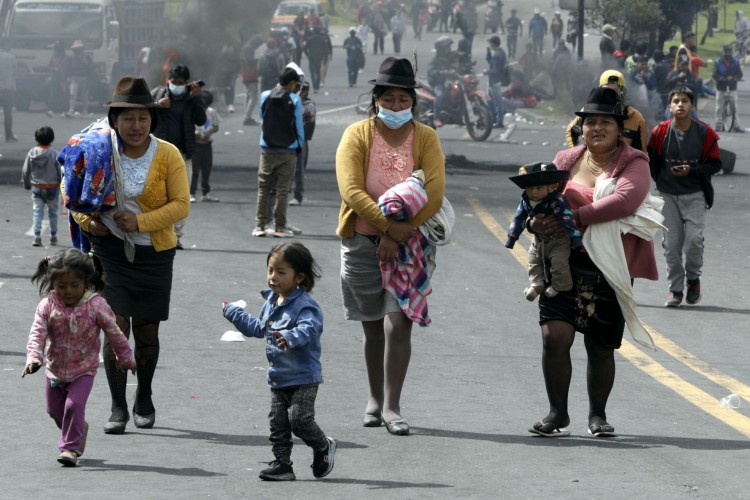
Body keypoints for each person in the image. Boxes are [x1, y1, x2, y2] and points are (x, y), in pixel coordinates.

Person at [527, 86, 658, 438]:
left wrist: (574, 217)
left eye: (605, 122)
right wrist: (533, 222)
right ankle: (557, 414)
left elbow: (625, 201)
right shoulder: (566, 161)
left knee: (600, 347)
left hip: (609, 269)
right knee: (554, 337)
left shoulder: (634, 162)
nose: (596, 129)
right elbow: (538, 199)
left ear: (619, 128)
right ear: (580, 127)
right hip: (563, 266)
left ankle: (597, 416)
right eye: (590, 123)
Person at [68, 76, 190, 434]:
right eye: (128, 118)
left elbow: (181, 204)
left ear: (152, 120)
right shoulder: (97, 150)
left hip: (155, 254)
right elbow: (73, 195)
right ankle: (118, 406)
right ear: (114, 120)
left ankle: (145, 396)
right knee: (115, 327)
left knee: (147, 332)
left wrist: (141, 222)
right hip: (109, 254)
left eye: (143, 118)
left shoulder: (167, 154)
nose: (136, 126)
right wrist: (89, 225)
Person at [335, 57, 446, 435]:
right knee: (371, 325)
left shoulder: (426, 138)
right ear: (376, 100)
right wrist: (385, 227)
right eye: (389, 99)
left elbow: (434, 191)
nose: (396, 107)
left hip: (411, 244)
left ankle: (393, 406)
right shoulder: (357, 135)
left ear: (413, 101)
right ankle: (374, 398)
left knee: (399, 322)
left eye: (403, 100)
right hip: (362, 240)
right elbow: (350, 188)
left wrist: (402, 231)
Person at [222, 242, 336, 481]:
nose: (273, 277)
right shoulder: (272, 302)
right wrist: (234, 312)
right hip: (278, 377)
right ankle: (283, 464)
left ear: (300, 277)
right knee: (278, 423)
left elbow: (310, 328)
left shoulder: (306, 306)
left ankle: (322, 445)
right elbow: (257, 328)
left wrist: (289, 336)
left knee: (299, 420)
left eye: (281, 272)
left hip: (303, 377)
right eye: (270, 270)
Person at [24, 249, 136, 466]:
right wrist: (33, 358)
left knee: (73, 406)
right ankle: (79, 428)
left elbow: (114, 332)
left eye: (74, 285)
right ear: (52, 284)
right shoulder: (47, 305)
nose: (68, 291)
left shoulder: (95, 305)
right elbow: (37, 332)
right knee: (54, 411)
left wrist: (126, 357)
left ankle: (69, 449)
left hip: (83, 370)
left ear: (86, 281)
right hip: (54, 370)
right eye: (61, 286)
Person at [647, 86, 721, 308]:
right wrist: (663, 183)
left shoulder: (704, 132)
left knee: (694, 241)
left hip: (695, 195)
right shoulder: (659, 132)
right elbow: (653, 162)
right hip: (668, 196)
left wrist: (692, 172)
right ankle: (675, 289)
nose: (680, 104)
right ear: (669, 106)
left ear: (692, 106)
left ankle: (693, 279)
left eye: (685, 101)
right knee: (671, 245)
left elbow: (715, 163)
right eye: (676, 101)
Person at [505, 161, 582, 300]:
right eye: (529, 188)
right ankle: (537, 283)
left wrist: (575, 240)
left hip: (559, 241)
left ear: (552, 187)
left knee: (558, 263)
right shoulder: (525, 201)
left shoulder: (557, 200)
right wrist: (512, 237)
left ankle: (560, 286)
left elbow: (568, 219)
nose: (533, 192)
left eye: (539, 187)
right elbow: (518, 218)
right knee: (533, 260)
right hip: (539, 240)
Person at [151, 64, 206, 246]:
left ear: (186, 83)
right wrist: (156, 106)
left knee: (180, 197)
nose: (176, 85)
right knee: (158, 195)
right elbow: (141, 110)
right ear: (168, 80)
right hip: (159, 153)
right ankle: (158, 233)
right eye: (173, 81)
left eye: (180, 82)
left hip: (182, 154)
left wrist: (197, 98)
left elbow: (201, 120)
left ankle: (176, 236)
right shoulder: (158, 94)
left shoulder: (191, 99)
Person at [253, 68, 305, 238]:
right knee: (282, 190)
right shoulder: (294, 99)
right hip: (288, 149)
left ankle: (260, 226)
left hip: (267, 149)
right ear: (291, 83)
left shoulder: (264, 95)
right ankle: (279, 227)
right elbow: (298, 125)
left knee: (264, 188)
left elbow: (263, 117)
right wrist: (300, 145)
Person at [566, 70, 647, 153]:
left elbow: (641, 153)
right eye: (606, 91)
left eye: (614, 92)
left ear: (622, 92)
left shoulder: (635, 117)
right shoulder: (588, 112)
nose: (610, 96)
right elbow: (572, 131)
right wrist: (575, 155)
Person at [22, 126, 62, 247]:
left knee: (37, 212)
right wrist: (62, 184)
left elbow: (25, 170)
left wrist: (26, 183)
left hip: (37, 187)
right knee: (53, 212)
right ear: (52, 139)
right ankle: (53, 237)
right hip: (52, 187)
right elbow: (60, 170)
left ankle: (37, 236)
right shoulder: (54, 153)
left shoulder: (32, 153)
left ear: (36, 138)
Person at [191, 90, 220, 202]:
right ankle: (191, 193)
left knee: (206, 169)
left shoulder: (211, 112)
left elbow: (216, 126)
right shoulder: (192, 111)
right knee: (194, 170)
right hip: (195, 145)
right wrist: (196, 133)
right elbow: (188, 127)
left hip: (207, 144)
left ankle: (205, 193)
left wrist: (209, 132)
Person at [290, 81, 315, 206]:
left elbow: (309, 120)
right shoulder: (290, 101)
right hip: (288, 138)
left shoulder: (309, 104)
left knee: (299, 168)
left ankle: (298, 195)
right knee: (287, 165)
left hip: (300, 139)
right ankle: (286, 188)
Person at [713, 45, 744, 132]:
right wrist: (721, 79)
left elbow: (739, 74)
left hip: (732, 86)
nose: (727, 54)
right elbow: (715, 74)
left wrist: (734, 78)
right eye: (726, 51)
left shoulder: (736, 62)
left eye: (729, 52)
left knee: (735, 106)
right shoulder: (718, 62)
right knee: (719, 106)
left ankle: (736, 125)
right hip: (721, 86)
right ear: (723, 52)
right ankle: (718, 124)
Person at [427, 36, 454, 127]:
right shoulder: (435, 60)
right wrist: (440, 72)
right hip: (437, 84)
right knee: (440, 95)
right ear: (441, 49)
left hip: (446, 83)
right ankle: (436, 118)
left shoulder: (448, 58)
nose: (449, 49)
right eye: (447, 47)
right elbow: (431, 71)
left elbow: (454, 67)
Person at [63, 40, 93, 118]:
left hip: (84, 78)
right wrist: (67, 77)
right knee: (72, 94)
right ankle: (71, 110)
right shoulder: (71, 57)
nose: (78, 50)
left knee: (85, 96)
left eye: (79, 48)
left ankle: (85, 111)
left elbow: (91, 68)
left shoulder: (87, 57)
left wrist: (85, 63)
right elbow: (67, 68)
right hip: (74, 78)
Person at [241, 35, 264, 126]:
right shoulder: (250, 49)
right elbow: (250, 61)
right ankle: (247, 117)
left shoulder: (245, 48)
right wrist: (258, 59)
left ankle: (247, 115)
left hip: (245, 74)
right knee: (253, 97)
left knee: (248, 95)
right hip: (251, 74)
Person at [485, 35, 507, 128]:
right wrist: (488, 53)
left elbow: (496, 70)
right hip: (493, 81)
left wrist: (487, 72)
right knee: (489, 100)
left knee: (498, 102)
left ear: (493, 44)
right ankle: (493, 118)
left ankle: (499, 121)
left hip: (495, 81)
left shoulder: (498, 55)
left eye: (490, 43)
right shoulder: (498, 53)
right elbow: (491, 62)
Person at [0, 37, 18, 142]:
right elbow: (15, 72)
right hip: (7, 89)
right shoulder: (11, 57)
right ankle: (8, 135)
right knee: (8, 113)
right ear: (5, 45)